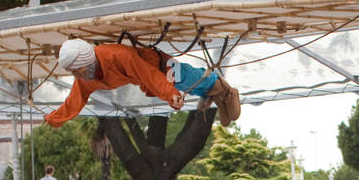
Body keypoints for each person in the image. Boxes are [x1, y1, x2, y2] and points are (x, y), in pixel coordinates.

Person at [49, 38, 240, 127]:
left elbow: (147, 72)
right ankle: (215, 95)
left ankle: (224, 89)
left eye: (76, 70)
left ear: (85, 62)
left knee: (182, 78)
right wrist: (54, 118)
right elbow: (74, 100)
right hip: (146, 79)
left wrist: (170, 95)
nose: (75, 75)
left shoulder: (117, 55)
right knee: (182, 84)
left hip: (156, 64)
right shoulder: (86, 78)